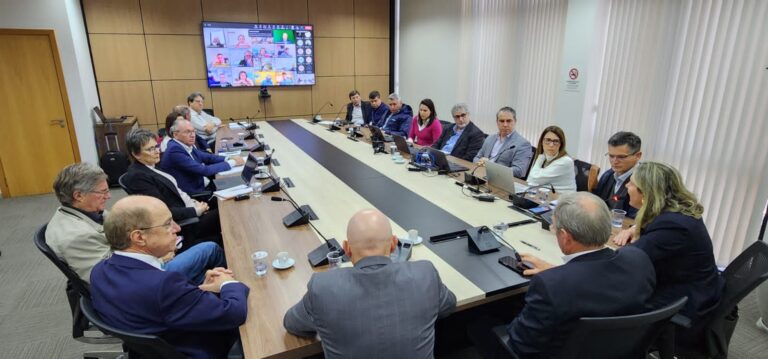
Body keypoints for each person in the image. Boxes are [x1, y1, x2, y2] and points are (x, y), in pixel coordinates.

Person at [470, 192, 656, 357]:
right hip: (621, 350)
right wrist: (558, 272)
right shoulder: (639, 259)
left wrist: (558, 276)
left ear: (565, 236)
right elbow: (595, 281)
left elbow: (520, 345)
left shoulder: (551, 285)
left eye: (555, 229)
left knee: (477, 323)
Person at [90, 195, 248, 358]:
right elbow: (233, 314)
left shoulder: (99, 271)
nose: (177, 228)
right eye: (167, 224)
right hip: (199, 348)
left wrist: (198, 290)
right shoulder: (163, 285)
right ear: (139, 237)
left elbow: (153, 305)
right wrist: (227, 283)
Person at [283, 209, 456, 358]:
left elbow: (292, 323)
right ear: (394, 245)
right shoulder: (425, 274)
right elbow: (448, 305)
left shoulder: (322, 287)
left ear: (346, 249)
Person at [45, 163, 225, 285]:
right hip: (144, 278)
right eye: (103, 192)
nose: (108, 197)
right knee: (210, 248)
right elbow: (116, 277)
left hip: (140, 260)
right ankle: (206, 290)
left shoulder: (87, 211)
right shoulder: (77, 235)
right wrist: (160, 256)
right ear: (78, 195)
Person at [613, 161, 724, 330]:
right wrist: (633, 228)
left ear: (646, 193)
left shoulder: (673, 226)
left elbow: (629, 260)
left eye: (632, 183)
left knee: (609, 298)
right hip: (694, 286)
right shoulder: (676, 211)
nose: (627, 185)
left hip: (683, 303)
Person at [123, 128, 223, 248]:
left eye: (156, 146)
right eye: (150, 149)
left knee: (226, 199)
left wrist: (193, 201)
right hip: (186, 223)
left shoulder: (152, 165)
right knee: (227, 213)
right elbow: (162, 212)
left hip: (190, 206)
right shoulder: (138, 177)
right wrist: (196, 210)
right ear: (136, 154)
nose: (157, 151)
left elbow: (176, 192)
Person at [161, 118, 244, 194]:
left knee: (242, 181)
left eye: (193, 131)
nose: (193, 135)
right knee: (241, 189)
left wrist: (228, 158)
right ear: (175, 134)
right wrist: (233, 162)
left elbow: (207, 157)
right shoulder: (174, 150)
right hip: (198, 193)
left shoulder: (183, 144)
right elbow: (204, 170)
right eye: (187, 132)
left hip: (204, 184)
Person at [591, 131, 642, 218]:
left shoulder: (642, 182)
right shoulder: (608, 175)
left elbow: (636, 219)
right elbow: (596, 203)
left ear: (637, 156)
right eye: (611, 156)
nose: (615, 161)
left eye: (621, 157)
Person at [473, 107, 533, 178]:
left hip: (502, 181)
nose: (505, 124)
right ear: (497, 122)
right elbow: (476, 158)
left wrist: (491, 166)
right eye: (502, 121)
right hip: (482, 176)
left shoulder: (523, 144)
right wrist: (480, 161)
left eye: (508, 121)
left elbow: (519, 171)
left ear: (515, 121)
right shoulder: (490, 138)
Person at [526, 126, 577, 192]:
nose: (551, 145)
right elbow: (530, 182)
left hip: (563, 200)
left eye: (556, 141)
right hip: (545, 197)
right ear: (542, 142)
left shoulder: (565, 161)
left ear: (561, 144)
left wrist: (540, 158)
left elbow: (533, 179)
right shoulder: (545, 156)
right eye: (548, 140)